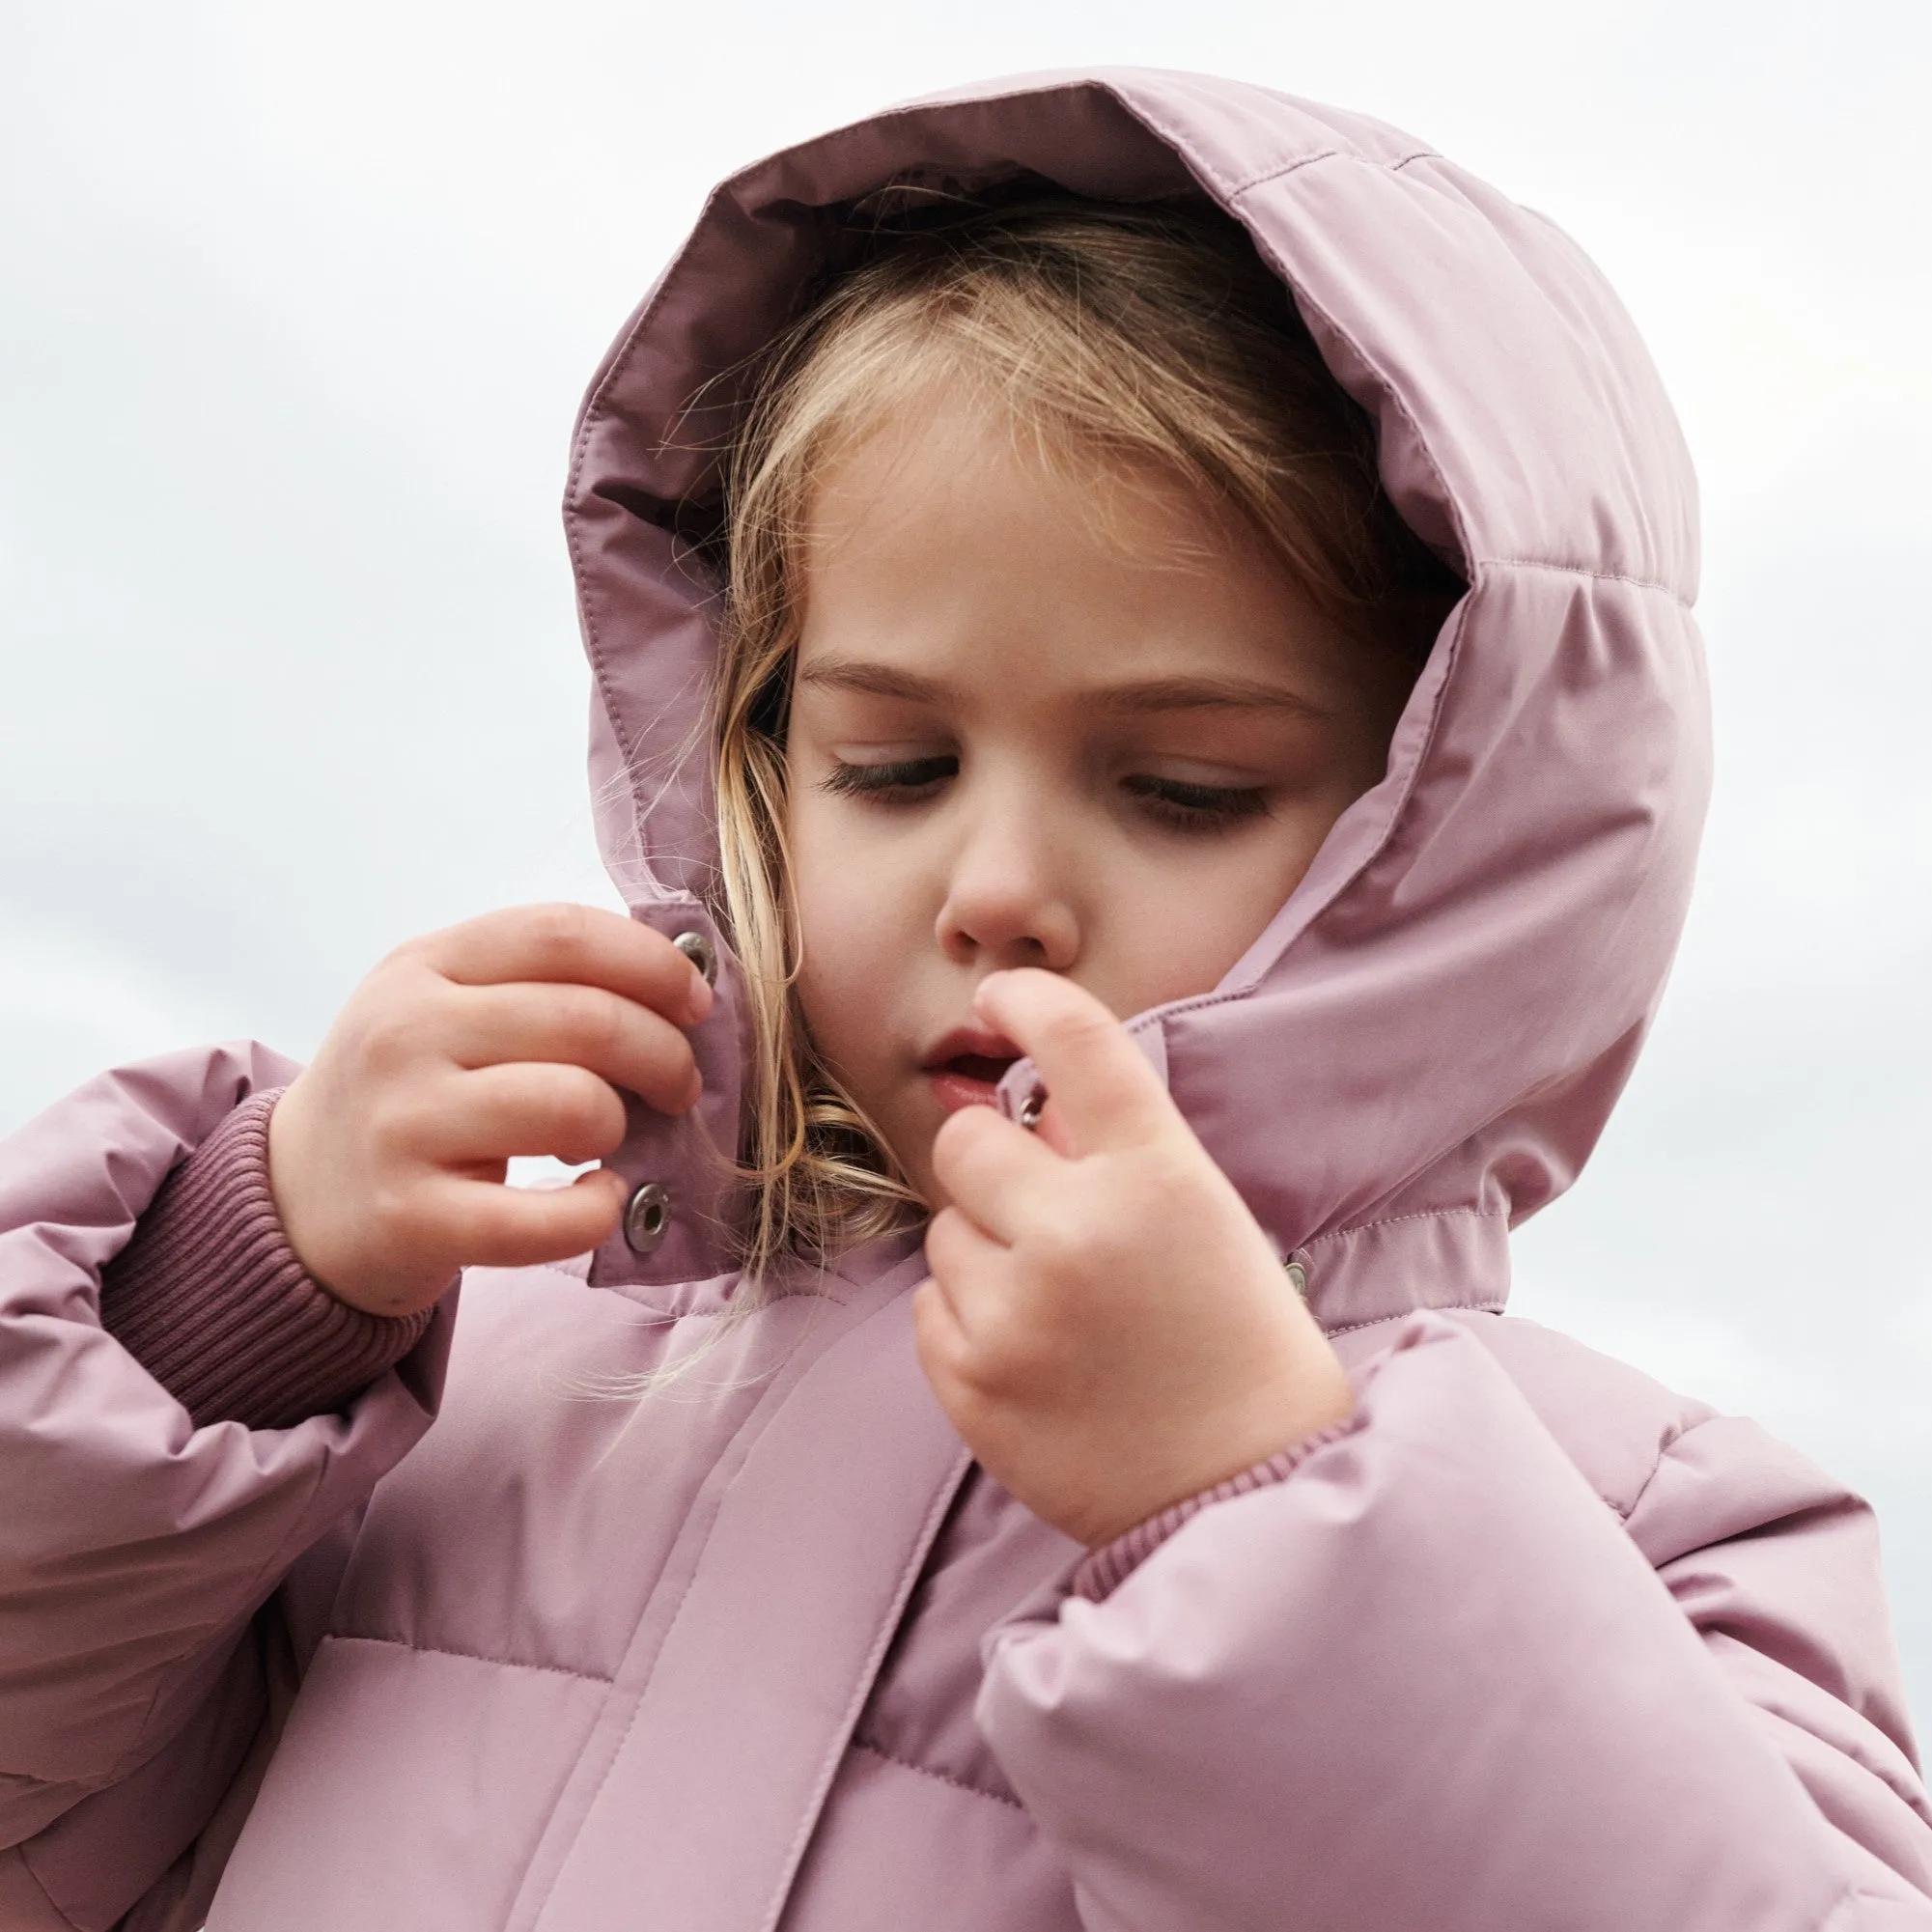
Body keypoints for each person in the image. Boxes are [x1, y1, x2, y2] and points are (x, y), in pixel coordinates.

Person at [1, 69, 1925, 1932]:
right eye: (894, 766)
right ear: (752, 753)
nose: (992, 885)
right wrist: (228, 1311)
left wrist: (1253, 1502)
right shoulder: (471, 1373)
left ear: (1470, 838)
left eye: (1181, 787)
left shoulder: (1641, 1531)